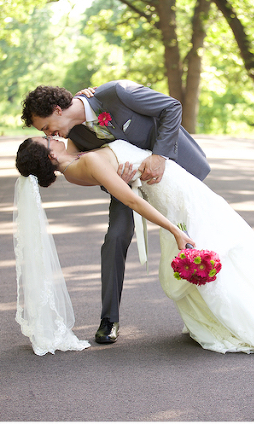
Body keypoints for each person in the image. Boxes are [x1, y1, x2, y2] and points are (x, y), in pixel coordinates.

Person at [14, 136, 254, 356]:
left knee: (217, 241)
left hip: (169, 185)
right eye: (48, 138)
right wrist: (170, 228)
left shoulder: (75, 167)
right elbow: (130, 200)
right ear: (50, 153)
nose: (54, 136)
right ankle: (248, 320)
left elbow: (121, 181)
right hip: (171, 191)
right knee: (214, 243)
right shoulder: (84, 163)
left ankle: (224, 316)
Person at [21, 81, 210, 344]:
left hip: (172, 165)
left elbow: (171, 107)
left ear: (57, 110)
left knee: (198, 232)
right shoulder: (74, 138)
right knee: (115, 238)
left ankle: (210, 306)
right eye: (45, 134)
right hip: (127, 186)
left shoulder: (115, 94)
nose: (51, 134)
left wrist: (159, 156)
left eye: (46, 127)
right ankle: (109, 319)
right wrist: (119, 178)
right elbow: (91, 169)